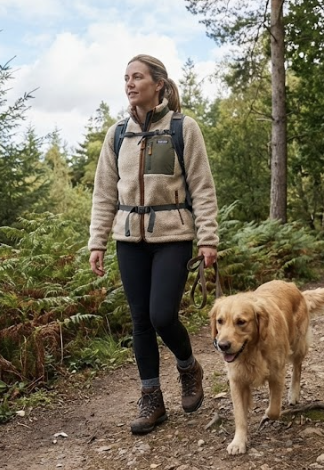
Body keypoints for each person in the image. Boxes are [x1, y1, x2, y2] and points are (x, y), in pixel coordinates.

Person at [88, 54, 219, 435]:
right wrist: (97, 242)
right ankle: (152, 398)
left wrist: (208, 238)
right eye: (126, 77)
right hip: (128, 239)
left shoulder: (183, 128)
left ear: (158, 84)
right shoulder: (117, 135)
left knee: (162, 315)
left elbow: (202, 187)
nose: (130, 83)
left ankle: (189, 367)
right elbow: (103, 194)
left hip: (173, 237)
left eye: (138, 77)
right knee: (140, 321)